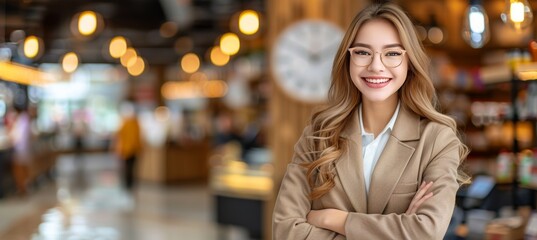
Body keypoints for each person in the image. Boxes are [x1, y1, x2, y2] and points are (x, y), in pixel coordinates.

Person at [272, 3, 470, 239]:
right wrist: (397, 228)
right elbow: (285, 231)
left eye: (393, 53)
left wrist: (335, 220)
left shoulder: (437, 139)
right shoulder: (317, 135)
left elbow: (425, 232)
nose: (376, 66)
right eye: (363, 52)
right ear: (348, 60)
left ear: (410, 63)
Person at [113, 101, 141, 191]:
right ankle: (129, 183)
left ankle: (128, 183)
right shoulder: (134, 123)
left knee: (128, 167)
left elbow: (119, 136)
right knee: (131, 167)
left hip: (127, 149)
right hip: (131, 149)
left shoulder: (126, 123)